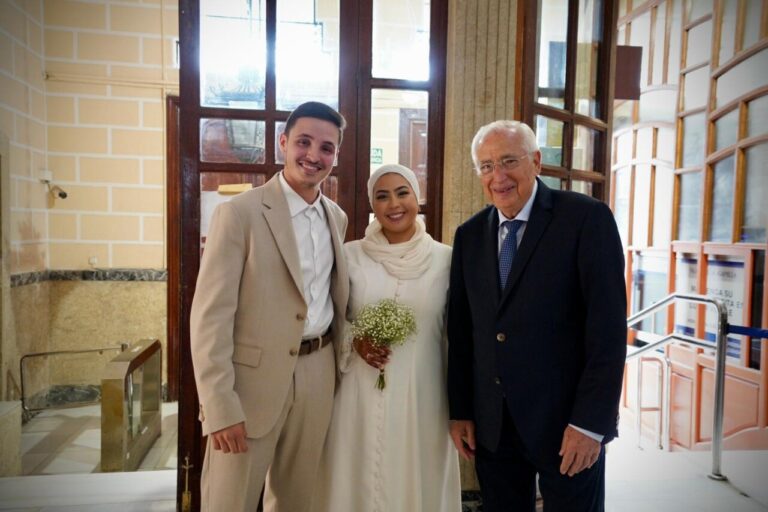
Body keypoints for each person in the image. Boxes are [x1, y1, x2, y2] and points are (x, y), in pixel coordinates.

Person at [447, 120, 627, 512]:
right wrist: (460, 411)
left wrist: (590, 424)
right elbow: (463, 333)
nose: (498, 176)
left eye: (509, 161)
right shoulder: (470, 236)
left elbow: (608, 332)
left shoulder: (585, 219)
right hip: (494, 428)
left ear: (537, 162)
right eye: (486, 165)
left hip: (567, 426)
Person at [190, 101, 349, 512]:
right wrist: (219, 406)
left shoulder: (337, 218)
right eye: (304, 142)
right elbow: (210, 317)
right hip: (249, 385)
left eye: (326, 147)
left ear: (336, 155)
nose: (314, 156)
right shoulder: (239, 214)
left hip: (318, 372)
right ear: (283, 143)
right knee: (229, 501)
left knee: (299, 499)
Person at [312, 164, 461, 512]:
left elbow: (460, 334)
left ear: (416, 198)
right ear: (372, 205)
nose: (394, 204)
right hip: (357, 396)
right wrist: (356, 341)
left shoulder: (447, 259)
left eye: (402, 192)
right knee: (356, 476)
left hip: (423, 394)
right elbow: (329, 319)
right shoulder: (350, 256)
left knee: (415, 474)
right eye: (382, 196)